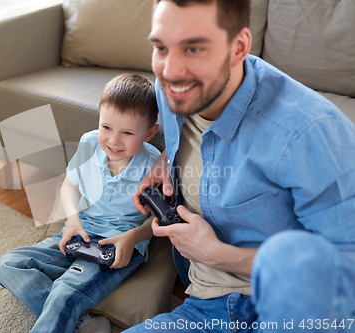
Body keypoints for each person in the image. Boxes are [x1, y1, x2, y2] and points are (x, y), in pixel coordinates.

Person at [125, 0, 355, 331]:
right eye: (161, 47)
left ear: (239, 47)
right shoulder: (172, 88)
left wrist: (219, 255)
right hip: (207, 302)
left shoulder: (308, 132)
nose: (171, 69)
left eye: (193, 49)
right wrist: (168, 159)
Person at [0, 73, 161, 333]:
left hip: (116, 246)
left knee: (65, 289)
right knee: (8, 265)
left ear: (150, 132)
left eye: (127, 132)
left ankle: (64, 317)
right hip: (77, 233)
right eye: (106, 127)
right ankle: (84, 323)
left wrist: (133, 238)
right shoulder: (89, 142)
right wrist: (72, 219)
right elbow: (70, 186)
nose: (113, 140)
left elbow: (160, 219)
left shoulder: (154, 165)